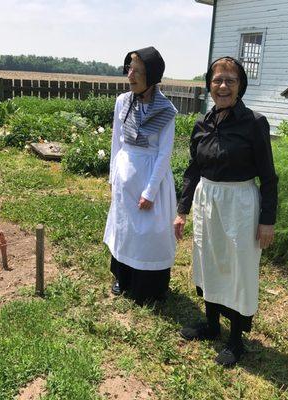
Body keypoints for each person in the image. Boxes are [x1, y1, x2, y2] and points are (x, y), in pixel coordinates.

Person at [173, 56, 278, 367]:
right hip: (207, 200)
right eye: (217, 80)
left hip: (241, 204)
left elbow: (269, 177)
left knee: (237, 268)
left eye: (230, 80)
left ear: (240, 86)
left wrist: (267, 221)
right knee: (208, 260)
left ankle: (236, 340)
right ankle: (210, 324)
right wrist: (182, 210)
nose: (223, 86)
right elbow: (193, 169)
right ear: (209, 84)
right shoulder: (201, 124)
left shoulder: (254, 123)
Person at [103, 46, 178, 305]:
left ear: (153, 75)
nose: (131, 75)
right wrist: (113, 176)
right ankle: (122, 278)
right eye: (129, 69)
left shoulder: (166, 110)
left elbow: (164, 153)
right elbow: (116, 142)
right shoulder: (122, 101)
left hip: (150, 178)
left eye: (138, 71)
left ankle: (149, 288)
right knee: (124, 229)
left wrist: (150, 191)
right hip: (125, 175)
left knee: (149, 232)